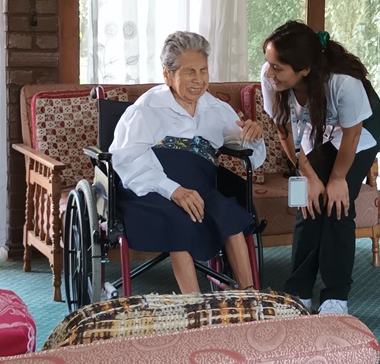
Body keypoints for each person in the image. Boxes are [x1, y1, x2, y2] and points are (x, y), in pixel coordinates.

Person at [109, 31, 266, 294]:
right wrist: (173, 190)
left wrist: (252, 135)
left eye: (203, 71)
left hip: (200, 187)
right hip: (150, 190)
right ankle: (194, 307)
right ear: (167, 75)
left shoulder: (215, 109)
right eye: (189, 71)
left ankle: (249, 295)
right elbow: (127, 159)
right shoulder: (144, 110)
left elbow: (247, 149)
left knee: (228, 213)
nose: (199, 80)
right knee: (179, 218)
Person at [261, 20, 380, 315]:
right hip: (317, 131)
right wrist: (309, 176)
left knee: (337, 204)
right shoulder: (272, 79)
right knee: (310, 199)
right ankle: (299, 289)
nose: (270, 72)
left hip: (360, 131)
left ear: (304, 69)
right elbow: (283, 130)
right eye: (269, 63)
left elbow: (352, 133)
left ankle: (335, 295)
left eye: (278, 67)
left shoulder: (343, 82)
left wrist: (338, 178)